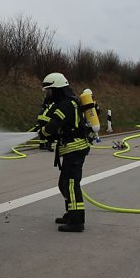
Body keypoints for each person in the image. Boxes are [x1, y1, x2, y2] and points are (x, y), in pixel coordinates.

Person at [37, 72, 91, 232]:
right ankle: (71, 213)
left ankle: (76, 221)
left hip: (75, 149)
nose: (48, 94)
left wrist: (44, 133)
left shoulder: (66, 104)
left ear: (58, 89)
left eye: (50, 90)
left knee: (71, 184)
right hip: (71, 149)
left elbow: (55, 124)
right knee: (63, 184)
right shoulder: (66, 103)